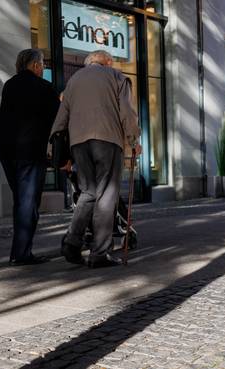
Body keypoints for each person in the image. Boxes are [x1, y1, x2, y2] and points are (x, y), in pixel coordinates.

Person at [51, 50, 141, 268]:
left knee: (88, 192)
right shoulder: (116, 77)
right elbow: (127, 112)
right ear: (107, 61)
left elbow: (61, 117)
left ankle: (72, 242)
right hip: (107, 140)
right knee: (107, 195)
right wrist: (133, 140)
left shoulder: (73, 81)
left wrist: (55, 149)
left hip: (79, 143)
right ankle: (99, 253)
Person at [0, 49, 60, 266]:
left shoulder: (9, 85)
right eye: (42, 65)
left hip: (7, 152)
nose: (43, 69)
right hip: (30, 153)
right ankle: (21, 254)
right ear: (35, 65)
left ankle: (19, 252)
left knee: (21, 202)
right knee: (27, 203)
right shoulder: (44, 88)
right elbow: (58, 120)